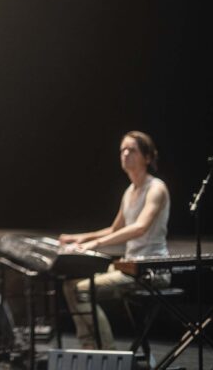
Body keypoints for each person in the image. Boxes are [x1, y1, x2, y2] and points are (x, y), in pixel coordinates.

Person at [59, 131, 170, 350]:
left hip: (150, 269)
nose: (126, 154)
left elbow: (139, 227)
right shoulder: (129, 191)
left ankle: (106, 352)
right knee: (70, 286)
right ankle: (91, 347)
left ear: (147, 157)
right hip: (128, 265)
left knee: (81, 289)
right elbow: (114, 228)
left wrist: (96, 245)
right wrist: (78, 237)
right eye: (123, 150)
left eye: (132, 150)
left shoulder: (156, 188)